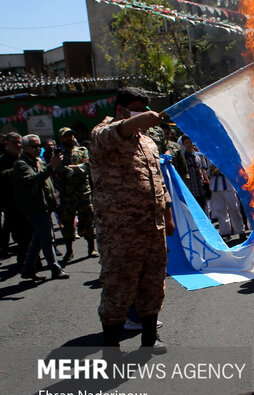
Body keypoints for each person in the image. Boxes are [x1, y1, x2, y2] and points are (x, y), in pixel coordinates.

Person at [89, 87, 174, 353]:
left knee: (153, 283)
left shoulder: (148, 142)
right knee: (119, 285)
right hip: (121, 230)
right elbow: (117, 131)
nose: (141, 114)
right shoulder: (102, 135)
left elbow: (158, 180)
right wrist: (139, 119)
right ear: (120, 110)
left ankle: (149, 338)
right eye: (136, 108)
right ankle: (111, 345)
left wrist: (168, 215)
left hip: (153, 226)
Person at [13, 134, 69, 282]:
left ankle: (28, 269)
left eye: (39, 146)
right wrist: (51, 166)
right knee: (47, 238)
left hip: (44, 205)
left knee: (39, 238)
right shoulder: (21, 164)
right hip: (34, 207)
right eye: (33, 146)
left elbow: (48, 180)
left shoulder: (37, 160)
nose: (37, 149)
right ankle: (55, 268)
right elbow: (33, 180)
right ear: (24, 148)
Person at [55, 127, 98, 262]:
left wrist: (70, 168)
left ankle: (91, 248)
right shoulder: (58, 154)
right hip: (67, 194)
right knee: (68, 223)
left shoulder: (82, 151)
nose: (70, 138)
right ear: (61, 138)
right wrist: (75, 168)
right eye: (66, 136)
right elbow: (59, 169)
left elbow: (87, 167)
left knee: (89, 221)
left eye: (71, 135)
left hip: (83, 192)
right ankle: (69, 250)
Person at [1, 132, 34, 264]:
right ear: (6, 144)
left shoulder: (24, 157)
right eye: (14, 142)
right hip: (12, 203)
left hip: (28, 202)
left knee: (31, 233)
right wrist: (17, 170)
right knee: (20, 235)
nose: (18, 145)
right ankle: (23, 261)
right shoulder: (3, 160)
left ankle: (32, 261)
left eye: (20, 142)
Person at [209, 163, 247, 241]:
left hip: (228, 185)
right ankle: (225, 232)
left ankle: (240, 231)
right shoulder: (210, 156)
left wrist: (222, 170)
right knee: (220, 210)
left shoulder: (225, 154)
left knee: (234, 208)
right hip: (216, 187)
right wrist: (211, 169)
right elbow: (207, 171)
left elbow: (233, 169)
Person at [180, 134, 211, 212]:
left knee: (205, 210)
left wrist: (208, 183)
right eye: (187, 143)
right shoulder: (182, 157)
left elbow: (203, 170)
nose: (190, 144)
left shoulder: (199, 156)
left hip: (201, 188)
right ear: (183, 144)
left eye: (191, 142)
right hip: (191, 190)